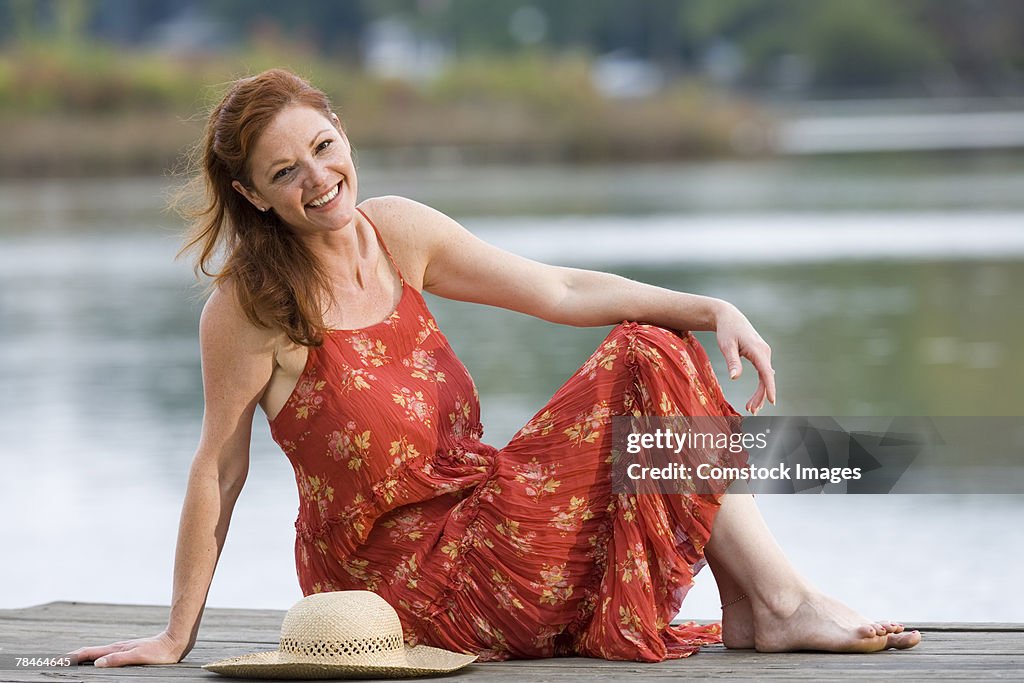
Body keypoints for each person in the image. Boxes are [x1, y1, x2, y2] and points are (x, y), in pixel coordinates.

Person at [71, 69, 920, 668]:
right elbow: (219, 466)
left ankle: (767, 602)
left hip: (485, 514)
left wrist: (706, 307)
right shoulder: (248, 306)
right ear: (255, 195)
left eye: (324, 147)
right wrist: (175, 634)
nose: (319, 179)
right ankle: (775, 604)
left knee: (657, 341)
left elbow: (558, 286)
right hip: (398, 583)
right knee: (643, 357)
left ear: (345, 135)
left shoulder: (395, 231)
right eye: (285, 172)